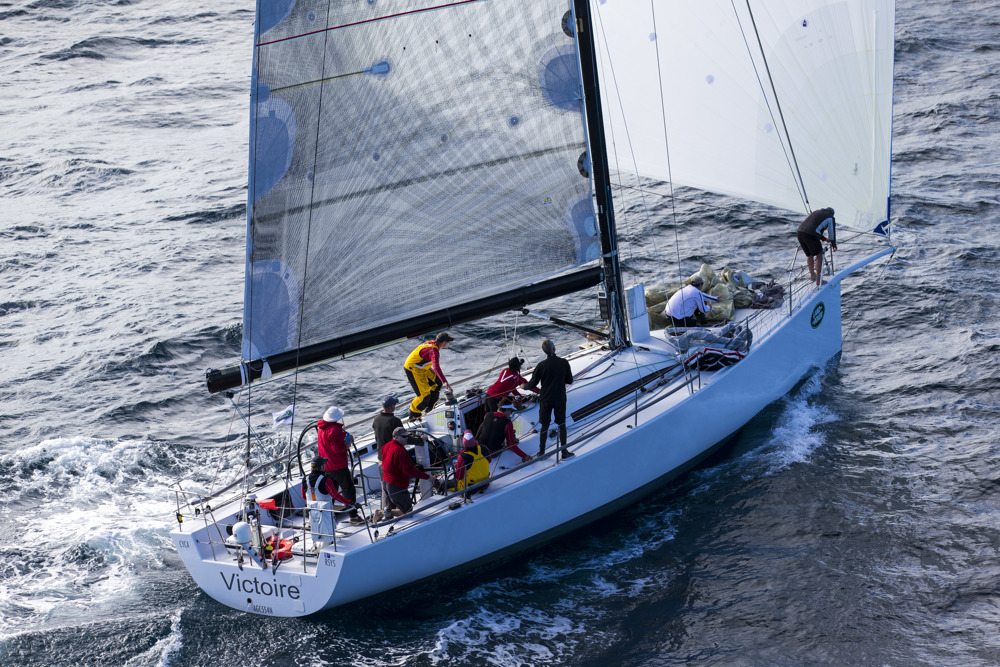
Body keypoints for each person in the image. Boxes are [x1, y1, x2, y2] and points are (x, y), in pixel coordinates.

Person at [522, 340, 575, 460]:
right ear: (554, 349)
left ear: (544, 351)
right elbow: (570, 380)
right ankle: (564, 451)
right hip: (560, 398)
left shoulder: (541, 366)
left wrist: (523, 386)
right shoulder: (563, 362)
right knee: (561, 424)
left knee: (544, 425)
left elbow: (531, 384)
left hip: (545, 398)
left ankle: (541, 452)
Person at [373, 426, 434, 523]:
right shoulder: (400, 452)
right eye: (404, 437)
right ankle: (380, 513)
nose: (407, 439)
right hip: (396, 485)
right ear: (396, 437)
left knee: (391, 510)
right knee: (407, 512)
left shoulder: (386, 446)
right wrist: (428, 477)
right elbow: (409, 471)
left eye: (407, 436)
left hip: (385, 482)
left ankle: (382, 516)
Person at [316, 406, 363, 524]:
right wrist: (346, 445)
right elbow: (337, 448)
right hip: (338, 466)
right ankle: (353, 515)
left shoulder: (321, 428)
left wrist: (344, 436)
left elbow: (331, 439)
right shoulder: (334, 430)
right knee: (348, 489)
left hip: (326, 466)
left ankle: (328, 516)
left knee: (331, 492)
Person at [403, 332, 454, 421]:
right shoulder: (434, 351)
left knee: (437, 383)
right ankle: (414, 416)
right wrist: (445, 382)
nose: (449, 343)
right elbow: (436, 367)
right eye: (448, 341)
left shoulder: (434, 344)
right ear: (443, 342)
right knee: (424, 396)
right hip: (413, 369)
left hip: (422, 367)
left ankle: (430, 408)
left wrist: (441, 380)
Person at [797, 207, 838, 287]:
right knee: (819, 255)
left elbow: (814, 227)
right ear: (832, 213)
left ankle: (812, 276)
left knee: (810, 255)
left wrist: (823, 239)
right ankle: (819, 280)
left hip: (800, 232)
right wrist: (834, 244)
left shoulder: (816, 212)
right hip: (810, 234)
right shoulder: (830, 217)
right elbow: (831, 233)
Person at [371, 395, 403, 460]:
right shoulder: (395, 421)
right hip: (393, 457)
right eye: (394, 404)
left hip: (381, 456)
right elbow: (404, 438)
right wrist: (420, 440)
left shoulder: (376, 419)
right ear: (392, 406)